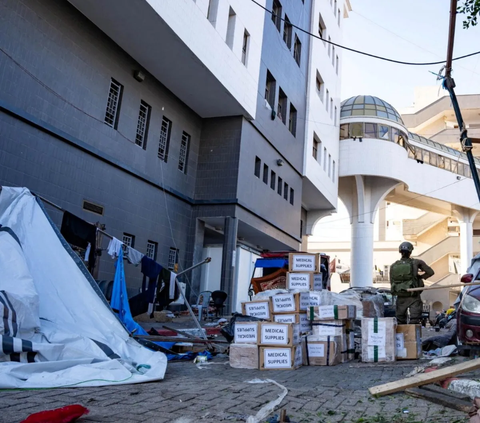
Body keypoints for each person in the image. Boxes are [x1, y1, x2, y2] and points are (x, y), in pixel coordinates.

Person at [390, 241, 434, 324]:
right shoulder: (417, 262)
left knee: (400, 321)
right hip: (414, 296)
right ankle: (413, 336)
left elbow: (392, 282)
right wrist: (420, 277)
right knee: (414, 320)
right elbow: (430, 272)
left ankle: (401, 336)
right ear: (410, 251)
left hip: (401, 296)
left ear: (400, 251)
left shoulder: (393, 265)